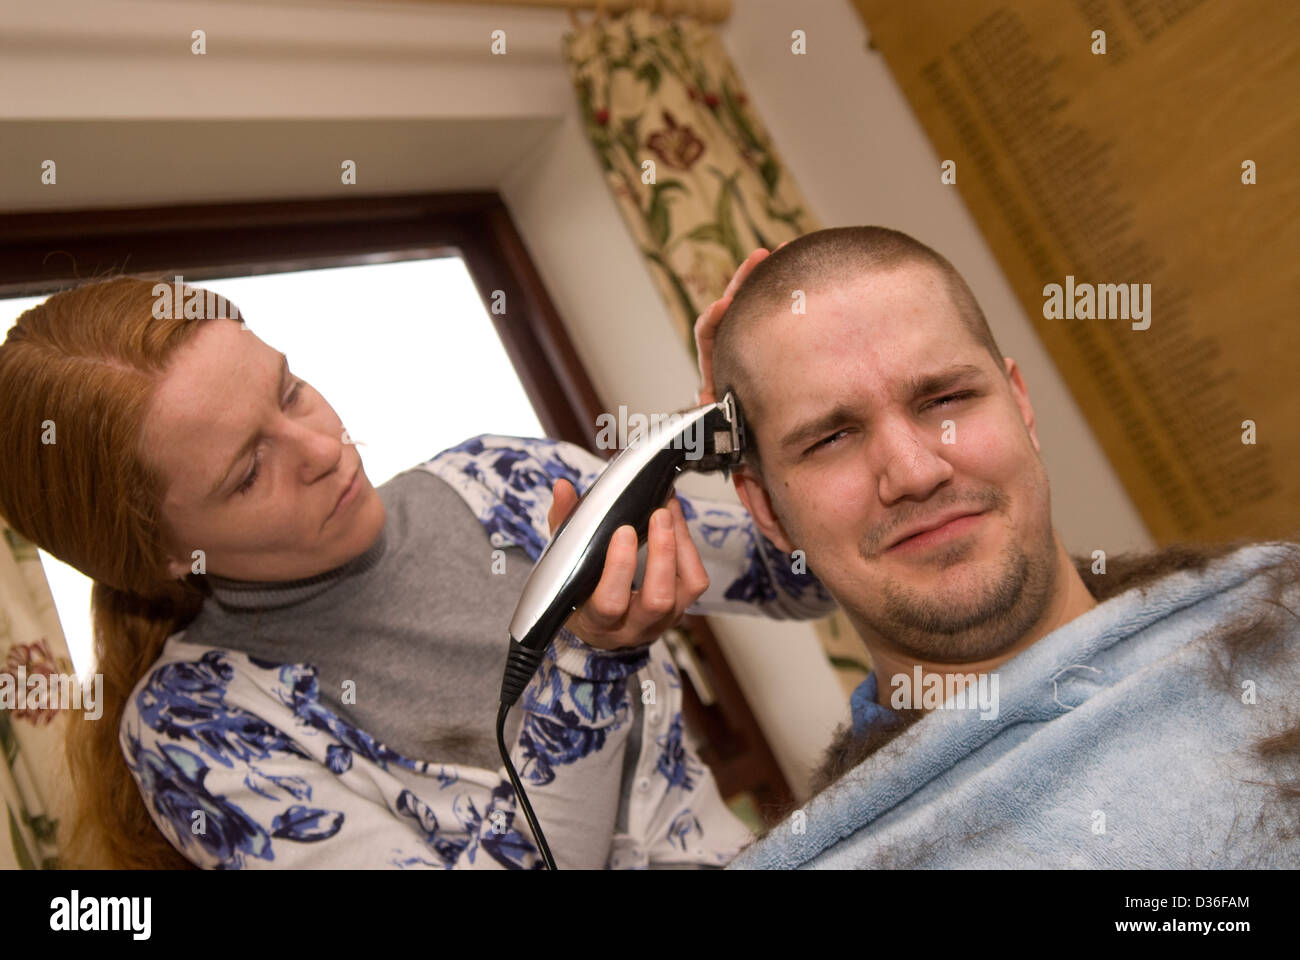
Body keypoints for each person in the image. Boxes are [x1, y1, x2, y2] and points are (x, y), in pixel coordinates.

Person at [0, 264, 835, 870]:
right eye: (248, 472)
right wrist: (589, 666)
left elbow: (796, 579)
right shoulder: (196, 728)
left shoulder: (502, 482)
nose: (324, 447)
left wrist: (749, 426)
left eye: (289, 390)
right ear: (163, 556)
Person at [694, 226, 1300, 868]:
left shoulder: (1279, 614)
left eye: (946, 399)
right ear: (766, 509)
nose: (915, 472)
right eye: (831, 439)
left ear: (1021, 405)